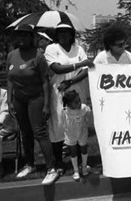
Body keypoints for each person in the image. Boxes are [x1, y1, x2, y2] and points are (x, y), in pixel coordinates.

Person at [6, 24, 58, 185]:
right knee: (25, 133)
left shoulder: (38, 56)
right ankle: (30, 164)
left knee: (39, 132)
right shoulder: (11, 55)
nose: (21, 39)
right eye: (18, 36)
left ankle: (51, 169)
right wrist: (9, 100)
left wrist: (46, 105)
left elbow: (45, 82)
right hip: (19, 99)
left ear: (31, 38)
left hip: (36, 99)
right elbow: (10, 79)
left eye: (25, 36)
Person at [44, 22, 94, 174]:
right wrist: (77, 65)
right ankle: (59, 161)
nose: (63, 35)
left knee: (78, 124)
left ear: (71, 34)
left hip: (77, 88)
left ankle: (79, 159)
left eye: (66, 32)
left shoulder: (78, 49)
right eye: (60, 32)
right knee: (59, 124)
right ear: (56, 35)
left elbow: (86, 70)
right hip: (59, 91)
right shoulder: (51, 48)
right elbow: (56, 68)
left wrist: (71, 81)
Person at [61, 90, 93, 181]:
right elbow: (62, 122)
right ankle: (75, 170)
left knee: (84, 148)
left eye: (79, 100)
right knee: (73, 151)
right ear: (68, 104)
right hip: (70, 134)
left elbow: (88, 113)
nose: (79, 103)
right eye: (76, 102)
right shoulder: (64, 111)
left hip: (82, 131)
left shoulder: (83, 108)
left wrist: (86, 120)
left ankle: (84, 167)